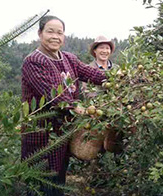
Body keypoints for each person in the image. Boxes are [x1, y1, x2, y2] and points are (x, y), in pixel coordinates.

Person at [21, 15, 106, 195]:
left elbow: (93, 74)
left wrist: (120, 78)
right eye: (50, 31)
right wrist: (79, 108)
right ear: (40, 33)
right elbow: (53, 95)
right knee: (40, 183)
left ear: (64, 36)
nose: (55, 36)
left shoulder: (69, 59)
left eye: (59, 32)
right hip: (40, 133)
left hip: (62, 132)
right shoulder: (34, 61)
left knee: (58, 179)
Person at [82, 35, 123, 154]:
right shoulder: (89, 68)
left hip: (116, 112)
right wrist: (103, 104)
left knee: (115, 143)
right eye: (101, 48)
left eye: (107, 48)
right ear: (95, 51)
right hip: (97, 112)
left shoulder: (117, 69)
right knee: (95, 146)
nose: (104, 51)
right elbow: (87, 91)